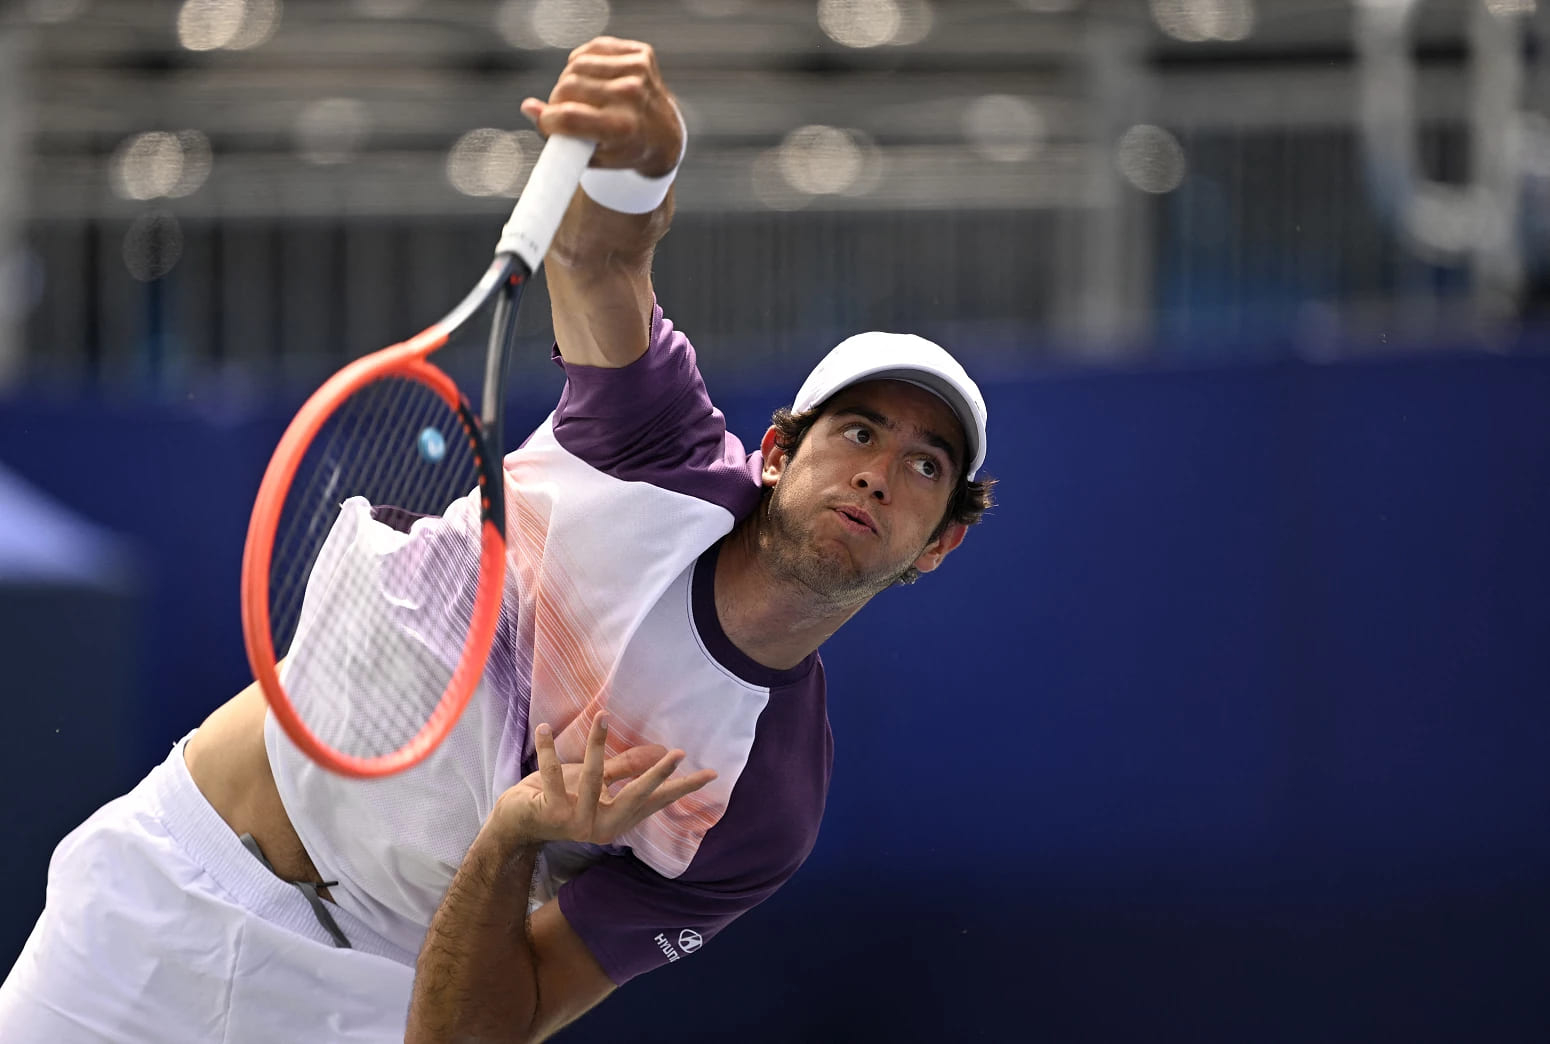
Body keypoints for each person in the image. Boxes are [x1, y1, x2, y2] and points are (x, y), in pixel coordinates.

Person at [0, 36, 994, 1044]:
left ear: (936, 546)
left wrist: (517, 830)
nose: (878, 470)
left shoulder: (760, 809)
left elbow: (476, 1034)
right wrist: (642, 162)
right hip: (161, 896)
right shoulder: (653, 445)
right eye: (858, 430)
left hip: (375, 1002)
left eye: (925, 466)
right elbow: (603, 253)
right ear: (776, 451)